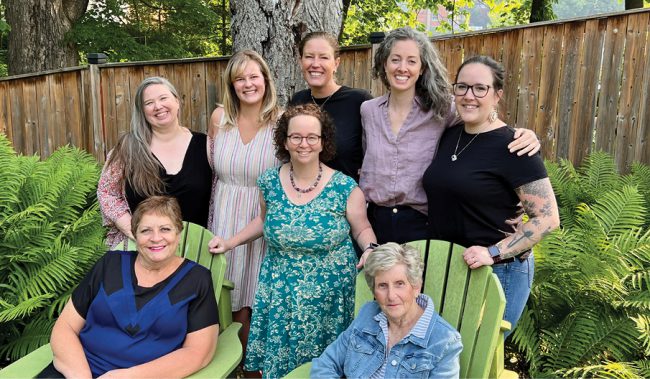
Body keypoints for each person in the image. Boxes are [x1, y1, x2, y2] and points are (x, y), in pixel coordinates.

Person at [208, 104, 378, 378]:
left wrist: (371, 248)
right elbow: (263, 221)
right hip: (280, 292)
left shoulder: (345, 187)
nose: (304, 144)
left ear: (324, 142)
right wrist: (230, 242)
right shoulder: (269, 183)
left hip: (329, 298)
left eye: (312, 137)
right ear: (285, 141)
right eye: (296, 136)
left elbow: (362, 228)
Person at [359, 27, 540, 244]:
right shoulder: (368, 111)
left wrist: (521, 134)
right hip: (375, 222)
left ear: (423, 68)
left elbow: (481, 116)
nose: (402, 68)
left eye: (412, 61)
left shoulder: (441, 110)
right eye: (395, 59)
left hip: (423, 225)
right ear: (384, 64)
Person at [423, 55, 560, 336]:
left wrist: (493, 253)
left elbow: (547, 218)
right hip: (450, 268)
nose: (469, 96)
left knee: (480, 360)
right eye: (461, 87)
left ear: (497, 95)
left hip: (498, 273)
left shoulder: (514, 147)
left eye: (479, 88)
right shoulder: (451, 134)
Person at [42, 196, 219, 378]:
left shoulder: (196, 280)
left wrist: (127, 376)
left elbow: (198, 353)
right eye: (146, 231)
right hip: (77, 370)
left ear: (178, 233)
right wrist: (81, 375)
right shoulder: (110, 264)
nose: (156, 238)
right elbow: (65, 327)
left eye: (165, 229)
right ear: (135, 235)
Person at [207, 50, 281, 364]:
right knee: (229, 304)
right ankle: (229, 366)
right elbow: (211, 170)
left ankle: (255, 369)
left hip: (263, 219)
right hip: (225, 214)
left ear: (265, 79)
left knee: (258, 306)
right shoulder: (219, 119)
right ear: (231, 84)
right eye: (240, 78)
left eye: (254, 76)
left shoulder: (281, 120)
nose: (248, 84)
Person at [311, 242, 462, 378]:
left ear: (416, 286)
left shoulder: (444, 341)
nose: (391, 296)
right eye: (382, 285)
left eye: (399, 284)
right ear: (374, 290)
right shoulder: (368, 315)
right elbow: (325, 364)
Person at [97, 77, 212, 248]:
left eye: (163, 98)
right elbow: (107, 192)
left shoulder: (207, 146)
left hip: (195, 253)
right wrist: (132, 229)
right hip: (140, 252)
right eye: (149, 103)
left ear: (177, 101)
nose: (158, 106)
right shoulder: (128, 148)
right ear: (142, 111)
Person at [290, 31, 372, 182]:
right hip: (302, 198)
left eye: (324, 57)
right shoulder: (297, 100)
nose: (315, 64)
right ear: (300, 61)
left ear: (336, 63)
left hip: (347, 200)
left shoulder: (359, 101)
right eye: (309, 57)